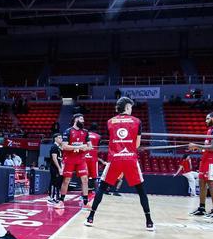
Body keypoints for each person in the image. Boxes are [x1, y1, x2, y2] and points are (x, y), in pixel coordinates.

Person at [83, 97, 154, 231]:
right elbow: (137, 144)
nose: (131, 109)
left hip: (114, 159)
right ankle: (149, 222)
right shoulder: (137, 121)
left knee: (102, 188)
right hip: (130, 159)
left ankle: (90, 218)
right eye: (130, 107)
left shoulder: (110, 121)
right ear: (127, 107)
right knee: (141, 191)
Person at [187, 112, 213, 218]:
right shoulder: (210, 130)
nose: (206, 121)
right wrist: (197, 148)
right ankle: (202, 208)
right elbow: (207, 147)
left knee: (211, 183)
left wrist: (196, 145)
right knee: (201, 182)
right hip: (205, 160)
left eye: (207, 119)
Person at [59, 113, 93, 206]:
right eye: (81, 119)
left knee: (85, 179)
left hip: (81, 159)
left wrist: (86, 148)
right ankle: (61, 200)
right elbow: (64, 146)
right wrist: (78, 147)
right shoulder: (68, 131)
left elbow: (90, 146)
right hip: (69, 159)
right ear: (75, 119)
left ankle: (86, 202)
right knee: (66, 180)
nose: (83, 121)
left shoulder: (85, 132)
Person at [48, 133, 64, 206]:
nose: (61, 139)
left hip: (59, 168)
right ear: (55, 139)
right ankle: (51, 198)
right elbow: (54, 159)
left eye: (61, 138)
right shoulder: (54, 147)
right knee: (53, 182)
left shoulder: (59, 147)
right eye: (59, 138)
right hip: (54, 167)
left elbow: (60, 159)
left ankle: (57, 197)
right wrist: (59, 168)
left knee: (57, 183)